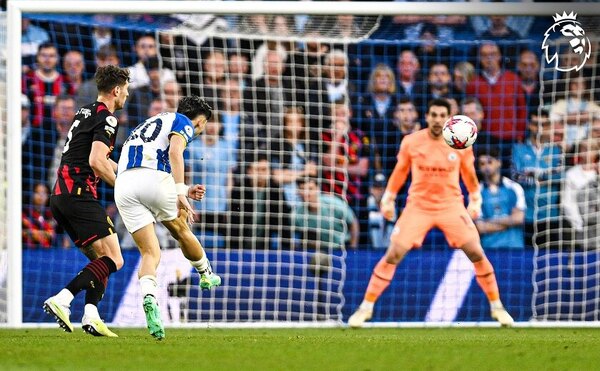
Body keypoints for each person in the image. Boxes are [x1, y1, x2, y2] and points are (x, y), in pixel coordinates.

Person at [348, 99, 513, 328]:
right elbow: (400, 172)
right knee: (394, 253)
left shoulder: (460, 142)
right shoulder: (412, 142)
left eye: (441, 115)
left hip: (451, 206)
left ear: (449, 117)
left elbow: (469, 174)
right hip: (418, 206)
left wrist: (475, 198)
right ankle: (365, 308)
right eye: (433, 115)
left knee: (476, 252)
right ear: (426, 117)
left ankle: (497, 307)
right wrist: (388, 198)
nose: (437, 120)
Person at [114, 96, 221, 340]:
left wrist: (180, 188)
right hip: (152, 180)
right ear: (200, 121)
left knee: (150, 253)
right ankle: (206, 274)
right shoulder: (183, 121)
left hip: (124, 186)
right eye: (203, 125)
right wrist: (181, 191)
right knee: (182, 229)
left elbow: (150, 160)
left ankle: (149, 298)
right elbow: (174, 152)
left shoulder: (148, 124)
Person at [43, 65, 131, 337]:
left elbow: (98, 158)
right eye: (125, 90)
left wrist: (126, 172)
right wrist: (124, 189)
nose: (126, 95)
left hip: (61, 197)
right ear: (116, 90)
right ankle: (63, 298)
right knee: (115, 259)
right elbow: (95, 161)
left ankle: (91, 315)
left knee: (99, 260)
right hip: (79, 195)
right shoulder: (108, 119)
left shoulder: (84, 111)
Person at [476, 147, 526, 249]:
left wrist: (490, 221)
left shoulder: (514, 187)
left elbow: (519, 219)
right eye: (482, 164)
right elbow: (480, 227)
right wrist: (509, 221)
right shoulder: (476, 192)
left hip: (514, 248)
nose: (486, 167)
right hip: (489, 249)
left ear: (499, 162)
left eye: (490, 162)